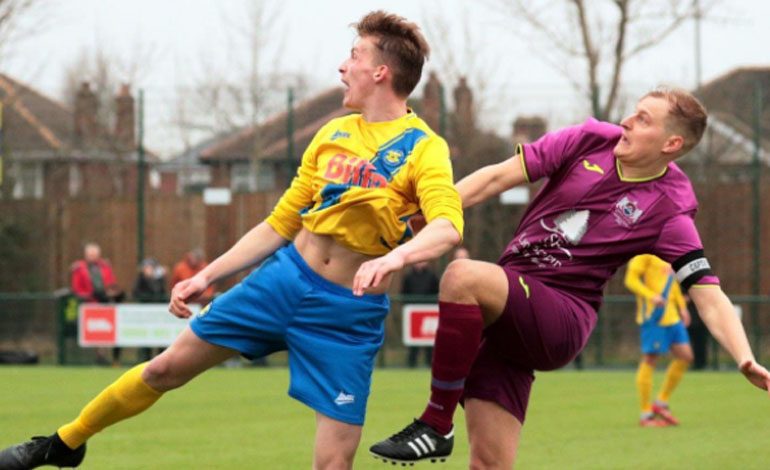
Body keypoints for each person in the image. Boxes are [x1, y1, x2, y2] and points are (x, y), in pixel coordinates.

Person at [0, 11, 463, 470]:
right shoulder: (332, 133)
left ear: (380, 71)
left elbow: (447, 225)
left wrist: (396, 257)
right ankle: (63, 443)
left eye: (354, 55)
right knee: (163, 369)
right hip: (282, 282)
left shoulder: (424, 148)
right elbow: (279, 224)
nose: (343, 67)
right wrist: (206, 276)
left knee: (332, 464)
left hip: (345, 315)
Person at [370, 88, 770, 467]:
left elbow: (707, 293)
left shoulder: (670, 209)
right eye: (633, 111)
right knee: (489, 463)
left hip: (562, 317)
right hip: (512, 311)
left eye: (643, 119)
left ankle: (437, 423)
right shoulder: (587, 139)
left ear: (671, 145)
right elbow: (496, 177)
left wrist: (744, 356)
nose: (627, 121)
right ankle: (441, 426)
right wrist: (438, 211)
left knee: (461, 275)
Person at [624, 254, 692, 427]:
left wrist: (682, 307)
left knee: (685, 357)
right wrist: (650, 296)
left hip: (672, 317)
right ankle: (646, 415)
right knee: (650, 359)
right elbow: (630, 280)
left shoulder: (667, 252)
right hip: (653, 317)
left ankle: (661, 403)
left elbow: (672, 282)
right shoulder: (643, 254)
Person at [70, 242, 125, 366]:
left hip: (105, 303)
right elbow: (76, 288)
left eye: (95, 254)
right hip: (89, 304)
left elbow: (111, 283)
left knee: (106, 331)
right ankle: (97, 356)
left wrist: (111, 293)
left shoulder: (105, 267)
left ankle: (104, 356)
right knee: (94, 331)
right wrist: (87, 296)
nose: (92, 256)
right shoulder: (79, 268)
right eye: (90, 254)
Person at [401, 260, 440, 367]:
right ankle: (411, 365)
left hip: (428, 314)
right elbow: (403, 294)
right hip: (412, 315)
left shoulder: (432, 276)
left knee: (430, 344)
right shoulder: (408, 277)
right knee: (413, 344)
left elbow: (437, 293)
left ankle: (430, 365)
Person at [132, 258, 168, 361]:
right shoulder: (140, 280)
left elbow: (162, 293)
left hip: (158, 314)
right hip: (145, 315)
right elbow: (136, 293)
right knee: (146, 339)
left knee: (161, 338)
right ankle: (145, 359)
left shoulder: (159, 280)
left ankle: (161, 359)